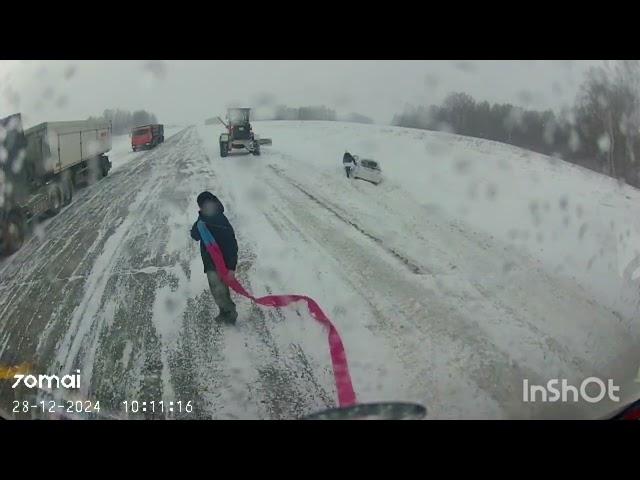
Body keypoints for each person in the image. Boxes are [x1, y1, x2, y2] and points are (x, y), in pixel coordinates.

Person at [190, 191, 239, 324]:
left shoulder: (221, 220)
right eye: (203, 206)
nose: (207, 208)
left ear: (214, 203)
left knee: (220, 289)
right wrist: (200, 221)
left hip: (222, 262)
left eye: (209, 205)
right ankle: (224, 311)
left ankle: (230, 315)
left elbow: (232, 245)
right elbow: (194, 235)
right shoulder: (202, 221)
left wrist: (231, 267)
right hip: (210, 261)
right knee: (217, 290)